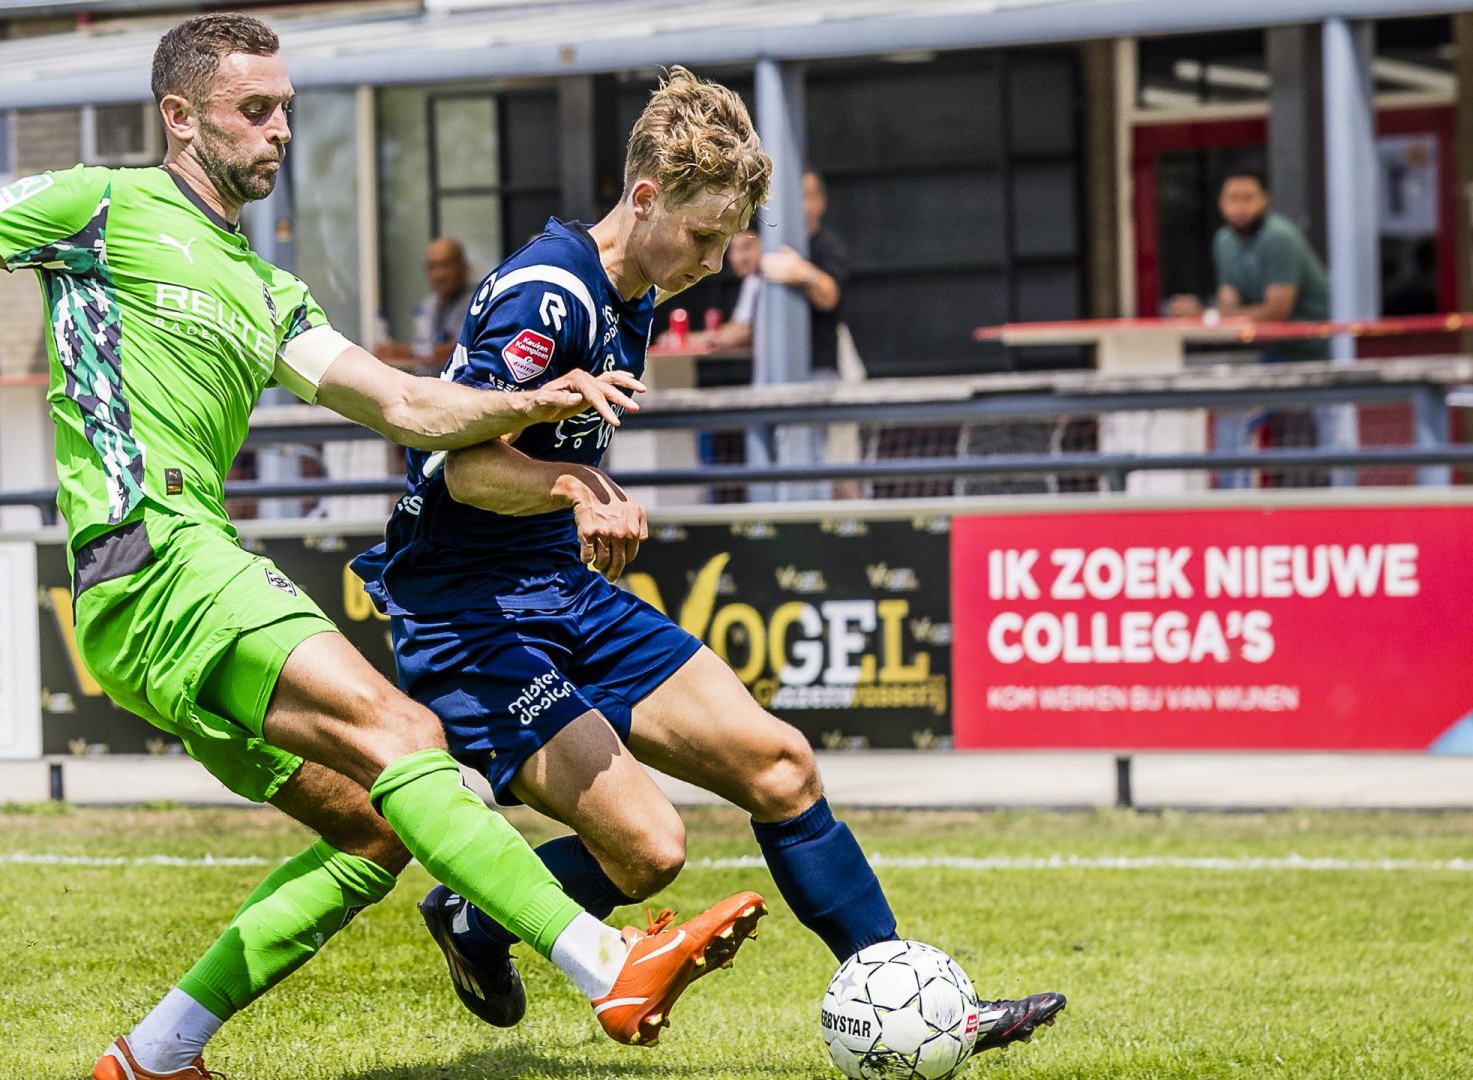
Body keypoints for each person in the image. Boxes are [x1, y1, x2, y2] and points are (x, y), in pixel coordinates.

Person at [0, 15, 765, 1080]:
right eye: (257, 109)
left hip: (173, 585)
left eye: (287, 110)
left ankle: (156, 1052)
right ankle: (608, 968)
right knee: (411, 733)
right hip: (156, 550)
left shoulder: (268, 290)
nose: (281, 130)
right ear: (181, 116)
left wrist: (537, 413)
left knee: (376, 829)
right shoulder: (96, 206)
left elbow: (413, 410)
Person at [351, 66, 1067, 1057]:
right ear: (646, 197)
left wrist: (571, 504)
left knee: (780, 765)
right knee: (649, 853)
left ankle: (922, 1003)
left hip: (560, 585)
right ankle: (473, 915)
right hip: (470, 614)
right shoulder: (545, 295)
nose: (712, 262)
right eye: (699, 237)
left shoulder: (638, 290)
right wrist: (574, 489)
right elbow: (462, 463)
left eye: (727, 242)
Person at [1168, 167, 1336, 485]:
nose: (1240, 207)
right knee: (1233, 415)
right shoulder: (1224, 241)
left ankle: (1347, 503)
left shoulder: (1278, 236)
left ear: (1265, 200)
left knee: (1336, 429)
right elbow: (1229, 305)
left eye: (1248, 198)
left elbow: (1277, 311)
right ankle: (1236, 505)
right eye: (1233, 198)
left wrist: (1211, 314)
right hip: (1279, 355)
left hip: (1322, 351)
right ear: (1220, 203)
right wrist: (1205, 313)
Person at [758, 167, 851, 376]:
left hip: (817, 367)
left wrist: (804, 274)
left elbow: (830, 297)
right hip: (769, 366)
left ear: (820, 203)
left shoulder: (828, 246)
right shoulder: (766, 244)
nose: (796, 204)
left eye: (804, 196)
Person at [374, 236, 472, 373]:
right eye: (432, 267)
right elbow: (424, 347)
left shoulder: (478, 302)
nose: (439, 275)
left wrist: (407, 352)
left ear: (464, 267)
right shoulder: (428, 305)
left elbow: (459, 349)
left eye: (446, 265)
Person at [688, 229, 760, 351]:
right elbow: (737, 326)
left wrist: (686, 340)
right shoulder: (752, 280)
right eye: (732, 250)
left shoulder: (764, 280)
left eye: (746, 247)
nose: (739, 257)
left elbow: (741, 333)